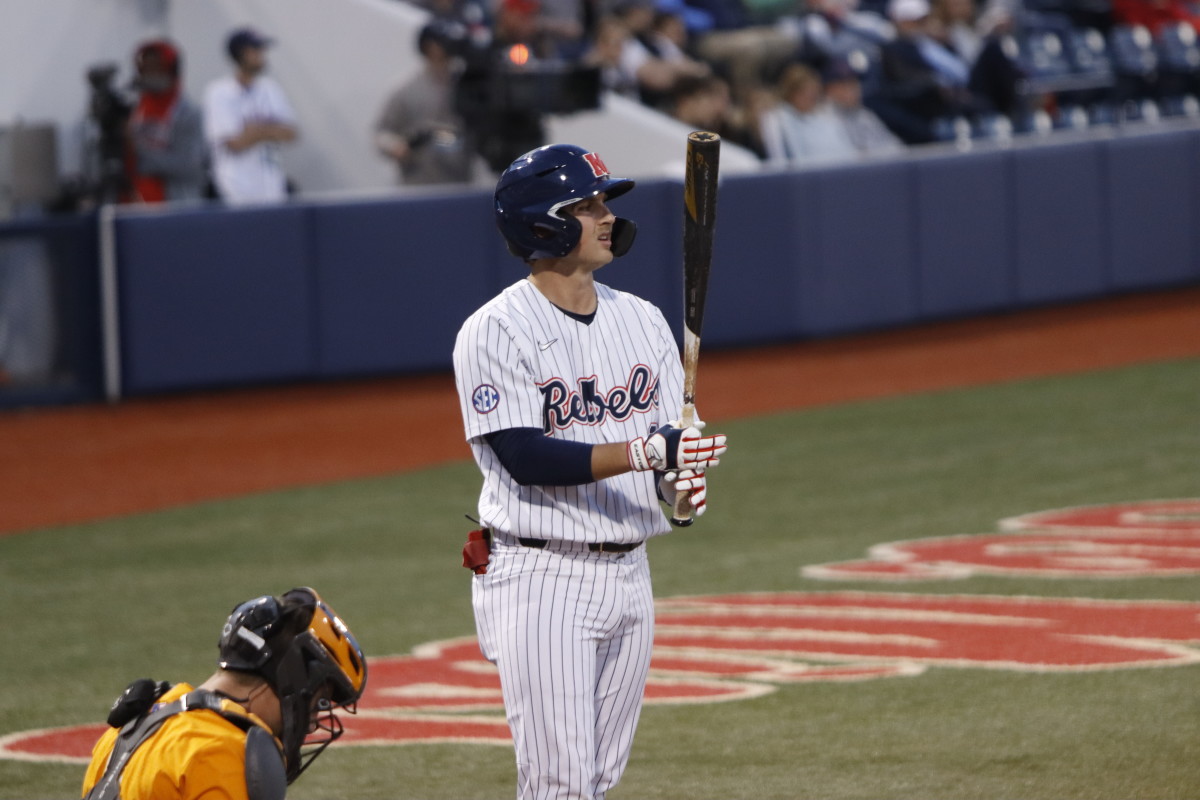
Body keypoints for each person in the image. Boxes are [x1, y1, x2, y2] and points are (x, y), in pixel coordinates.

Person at [452, 144, 728, 800]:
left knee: (596, 781)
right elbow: (526, 457)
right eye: (588, 204)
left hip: (631, 570)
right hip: (541, 574)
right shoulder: (494, 331)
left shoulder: (642, 320)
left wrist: (680, 484)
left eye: (605, 202)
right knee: (559, 783)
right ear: (543, 222)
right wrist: (644, 453)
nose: (606, 215)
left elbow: (665, 451)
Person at [80, 587, 367, 800]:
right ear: (290, 678)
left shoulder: (130, 727)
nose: (314, 721)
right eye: (317, 702)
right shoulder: (222, 749)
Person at [203, 28, 299, 205]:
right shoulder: (219, 92)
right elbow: (235, 143)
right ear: (240, 54)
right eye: (255, 50)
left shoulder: (270, 88)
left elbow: (291, 134)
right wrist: (270, 130)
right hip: (234, 189)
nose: (261, 55)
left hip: (272, 186)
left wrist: (255, 131)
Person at [375, 21, 476, 186]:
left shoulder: (467, 85)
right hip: (418, 181)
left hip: (460, 180)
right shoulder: (407, 90)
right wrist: (395, 146)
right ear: (429, 47)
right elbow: (381, 133)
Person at [125, 39, 207, 203]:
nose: (149, 74)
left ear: (172, 70)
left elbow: (190, 166)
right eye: (145, 68)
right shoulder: (134, 111)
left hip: (175, 204)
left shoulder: (188, 113)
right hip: (135, 203)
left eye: (156, 67)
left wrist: (137, 157)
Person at [759, 62, 861, 164]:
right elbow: (781, 159)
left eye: (813, 94)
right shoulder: (778, 118)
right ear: (791, 93)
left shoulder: (827, 116)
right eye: (804, 93)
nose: (809, 98)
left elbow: (846, 152)